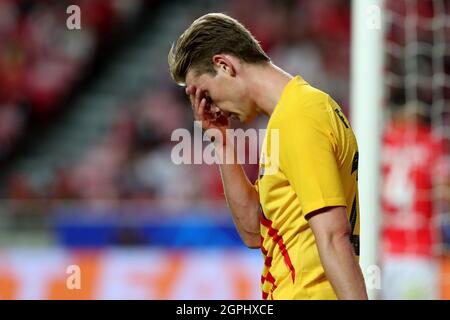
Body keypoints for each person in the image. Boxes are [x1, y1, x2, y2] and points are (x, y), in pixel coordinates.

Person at [168, 13, 367, 300]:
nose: (213, 108)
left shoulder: (299, 116)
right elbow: (254, 232)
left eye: (208, 95)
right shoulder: (287, 118)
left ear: (224, 65)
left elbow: (334, 236)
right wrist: (221, 141)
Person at [381, 102, 448, 299]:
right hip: (419, 253)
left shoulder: (385, 141)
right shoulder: (431, 142)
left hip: (382, 252)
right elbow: (443, 190)